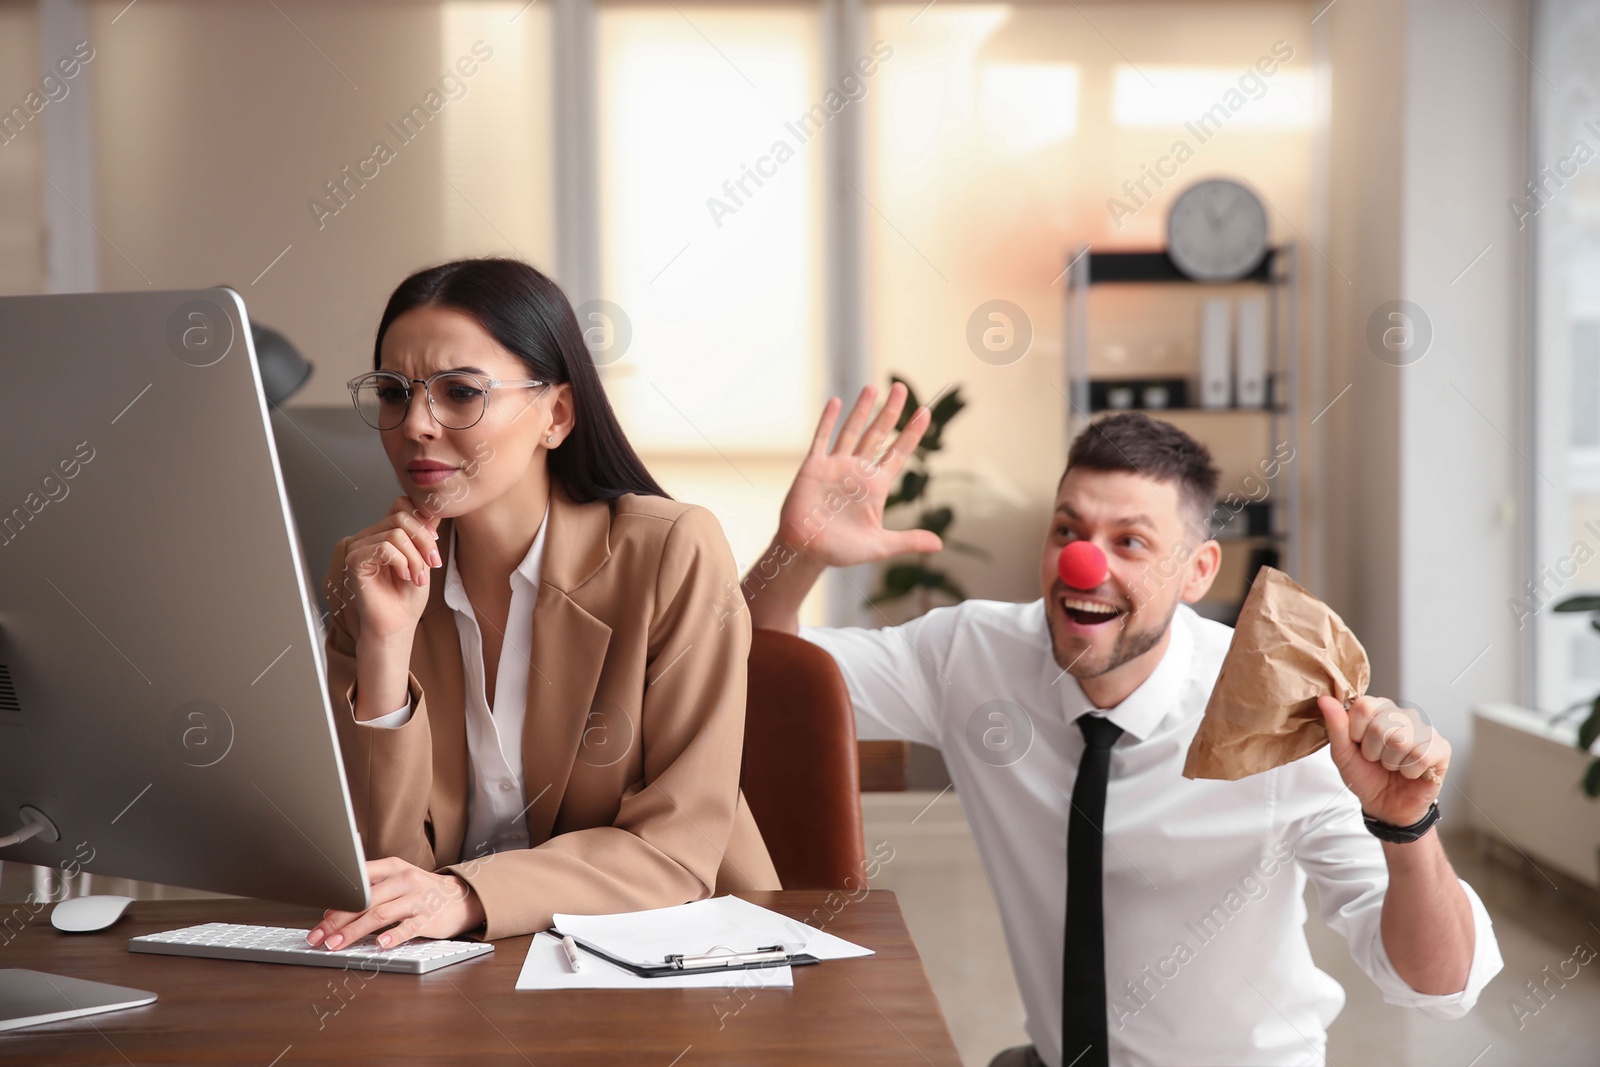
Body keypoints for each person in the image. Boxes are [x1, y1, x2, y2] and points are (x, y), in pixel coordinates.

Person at [741, 389, 1502, 1067]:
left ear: (1198, 571)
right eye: (1069, 528)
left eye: (1130, 542)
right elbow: (749, 678)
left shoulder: (1287, 722)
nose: (1083, 565)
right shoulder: (969, 655)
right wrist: (794, 555)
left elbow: (1438, 986)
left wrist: (1408, 828)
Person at [309, 258, 779, 950]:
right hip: (447, 978)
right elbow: (387, 870)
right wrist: (385, 648)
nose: (414, 425)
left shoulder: (671, 553)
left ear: (555, 414)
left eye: (460, 392)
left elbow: (673, 851)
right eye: (393, 392)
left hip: (670, 965)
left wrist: (467, 893)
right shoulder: (371, 574)